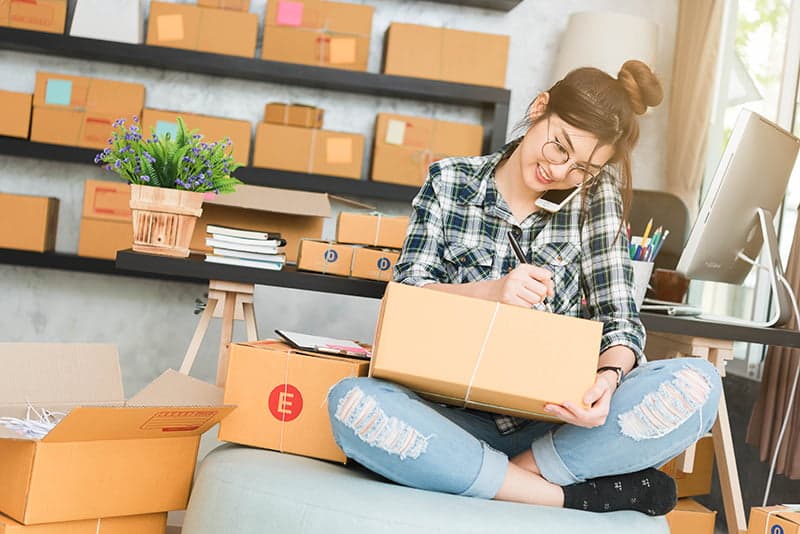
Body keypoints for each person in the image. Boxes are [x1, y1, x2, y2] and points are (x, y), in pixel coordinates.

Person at [327, 60, 722, 516]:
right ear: (540, 109)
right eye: (560, 148)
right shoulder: (450, 181)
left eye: (583, 169)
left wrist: (608, 380)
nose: (560, 172)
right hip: (447, 418)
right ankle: (564, 497)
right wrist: (490, 291)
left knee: (699, 383)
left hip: (552, 428)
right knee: (351, 403)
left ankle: (489, 473)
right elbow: (405, 299)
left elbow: (619, 321)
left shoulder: (595, 201)